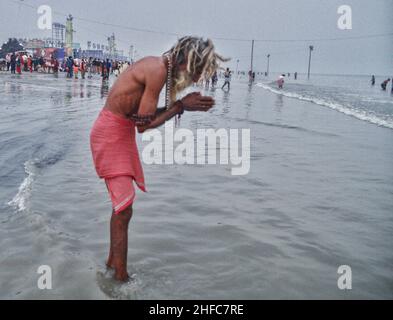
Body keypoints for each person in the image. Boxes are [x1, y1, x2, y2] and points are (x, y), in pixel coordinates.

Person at [90, 36, 227, 282]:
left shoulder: (159, 67)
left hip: (120, 131)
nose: (196, 79)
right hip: (111, 133)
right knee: (123, 208)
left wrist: (180, 106)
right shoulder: (156, 70)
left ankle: (113, 263)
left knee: (124, 208)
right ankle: (120, 279)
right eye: (197, 71)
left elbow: (142, 117)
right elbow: (144, 126)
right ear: (186, 60)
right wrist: (180, 106)